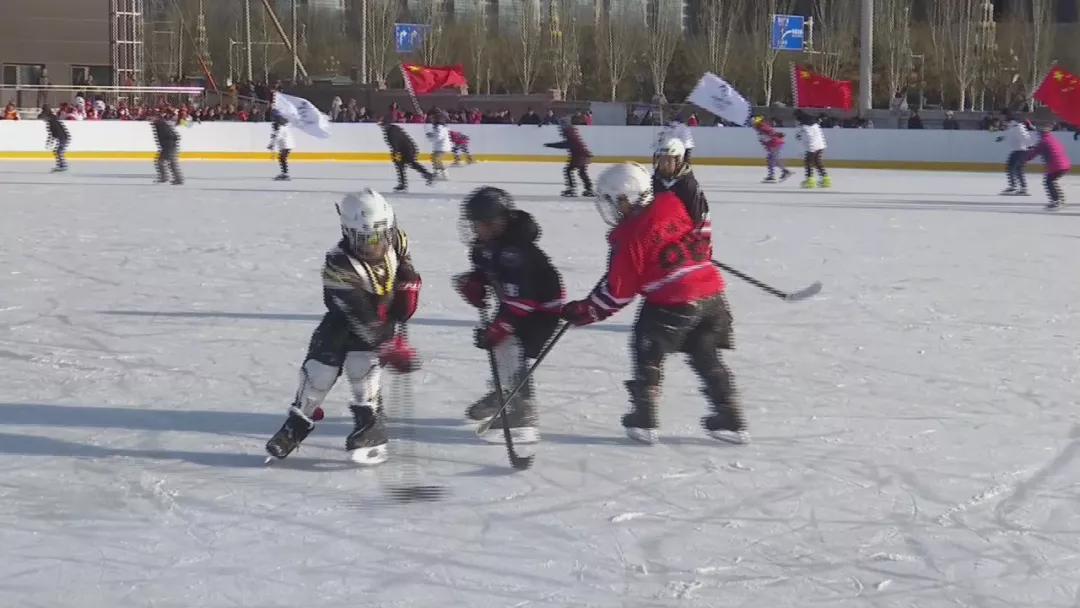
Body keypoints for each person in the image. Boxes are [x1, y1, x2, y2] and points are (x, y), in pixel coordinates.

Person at [559, 163, 747, 445]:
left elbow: (618, 293)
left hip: (674, 302)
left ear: (629, 198)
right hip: (713, 296)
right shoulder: (670, 203)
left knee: (647, 350)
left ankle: (644, 417)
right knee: (704, 353)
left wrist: (585, 312)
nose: (612, 208)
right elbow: (699, 233)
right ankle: (731, 418)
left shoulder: (627, 237)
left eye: (615, 201)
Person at [265, 189, 422, 464]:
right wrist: (388, 344)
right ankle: (299, 420)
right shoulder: (339, 263)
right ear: (349, 234)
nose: (376, 245)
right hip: (345, 318)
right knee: (319, 369)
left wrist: (408, 283)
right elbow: (359, 313)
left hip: (381, 316)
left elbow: (404, 265)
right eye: (366, 239)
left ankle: (369, 421)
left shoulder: (397, 240)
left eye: (381, 235)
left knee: (362, 366)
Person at [454, 187, 564, 443]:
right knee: (501, 347)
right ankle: (504, 394)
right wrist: (475, 282)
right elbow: (488, 273)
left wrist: (498, 329)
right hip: (514, 305)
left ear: (496, 223)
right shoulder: (484, 248)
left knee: (511, 346)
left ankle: (522, 410)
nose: (473, 229)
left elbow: (524, 301)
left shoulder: (517, 253)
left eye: (477, 224)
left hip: (541, 311)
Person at [652, 137, 710, 235]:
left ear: (678, 161)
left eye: (668, 160)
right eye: (661, 159)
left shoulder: (688, 185)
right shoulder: (655, 181)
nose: (663, 164)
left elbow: (698, 221)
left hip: (688, 238)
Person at [380, 118, 433, 192]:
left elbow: (395, 144)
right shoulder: (393, 129)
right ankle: (404, 184)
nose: (382, 127)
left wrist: (395, 154)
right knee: (402, 165)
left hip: (408, 150)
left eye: (383, 125)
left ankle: (427, 175)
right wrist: (395, 154)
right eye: (382, 125)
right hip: (407, 149)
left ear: (387, 125)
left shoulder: (391, 132)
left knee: (409, 163)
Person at [544, 118, 594, 198]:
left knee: (568, 170)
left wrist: (551, 145)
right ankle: (589, 189)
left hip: (580, 155)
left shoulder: (569, 132)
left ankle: (573, 189)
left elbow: (566, 144)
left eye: (561, 125)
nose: (560, 127)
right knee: (581, 172)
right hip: (582, 155)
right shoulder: (570, 131)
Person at [1025, 126, 1071, 210]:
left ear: (1041, 134)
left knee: (1048, 182)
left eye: (1039, 134)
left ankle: (1056, 202)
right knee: (1051, 181)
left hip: (1056, 165)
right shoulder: (1053, 139)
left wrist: (1025, 159)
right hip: (1064, 164)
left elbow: (1033, 153)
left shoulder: (1043, 142)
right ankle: (1060, 200)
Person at [997, 111, 1033, 196]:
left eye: (1002, 116)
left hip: (1022, 150)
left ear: (1007, 117)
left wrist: (1030, 146)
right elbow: (1009, 135)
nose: (1001, 119)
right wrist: (1002, 138)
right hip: (1017, 150)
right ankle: (1014, 187)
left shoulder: (1018, 126)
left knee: (1016, 168)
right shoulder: (1011, 126)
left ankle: (1020, 188)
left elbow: (1025, 136)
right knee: (1011, 168)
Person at [795, 109, 830, 188]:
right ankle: (825, 179)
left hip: (812, 147)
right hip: (820, 145)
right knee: (817, 161)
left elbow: (806, 137)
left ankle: (810, 180)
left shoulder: (804, 127)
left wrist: (810, 149)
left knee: (808, 162)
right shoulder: (815, 124)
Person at [752, 115, 792, 183]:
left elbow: (772, 133)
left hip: (775, 144)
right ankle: (781, 173)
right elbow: (766, 138)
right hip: (774, 144)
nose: (753, 125)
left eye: (754, 123)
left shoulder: (763, 127)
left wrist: (778, 134)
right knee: (771, 159)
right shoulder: (760, 128)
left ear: (758, 123)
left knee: (773, 159)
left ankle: (778, 174)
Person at [152, 114, 183, 185]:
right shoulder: (158, 125)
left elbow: (174, 136)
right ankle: (165, 177)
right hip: (166, 147)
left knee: (171, 163)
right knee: (160, 162)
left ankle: (178, 179)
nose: (150, 119)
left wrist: (169, 143)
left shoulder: (162, 125)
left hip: (169, 147)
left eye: (152, 117)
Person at [40, 105, 70, 172]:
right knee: (57, 151)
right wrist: (51, 140)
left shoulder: (51, 121)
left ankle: (63, 166)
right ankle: (61, 165)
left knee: (58, 151)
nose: (43, 120)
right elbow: (53, 133)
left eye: (44, 118)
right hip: (63, 137)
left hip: (63, 137)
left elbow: (54, 132)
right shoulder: (52, 119)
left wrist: (50, 140)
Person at [268, 111, 294, 181]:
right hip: (286, 145)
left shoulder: (281, 128)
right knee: (282, 158)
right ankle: (285, 173)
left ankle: (285, 174)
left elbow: (278, 136)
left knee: (282, 159)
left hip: (286, 146)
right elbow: (277, 135)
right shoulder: (283, 126)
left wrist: (271, 144)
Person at [426, 114, 451, 180]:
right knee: (434, 159)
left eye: (433, 119)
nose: (431, 120)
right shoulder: (438, 127)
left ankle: (444, 174)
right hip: (439, 148)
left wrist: (430, 136)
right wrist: (431, 135)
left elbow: (438, 137)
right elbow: (436, 136)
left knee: (437, 159)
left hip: (442, 148)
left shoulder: (439, 127)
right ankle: (437, 172)